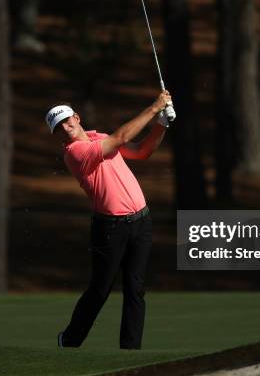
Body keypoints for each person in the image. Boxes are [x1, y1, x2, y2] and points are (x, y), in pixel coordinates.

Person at [45, 91, 176, 350]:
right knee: (100, 290)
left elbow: (141, 151)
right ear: (57, 136)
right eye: (59, 128)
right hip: (110, 228)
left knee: (135, 289)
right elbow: (122, 137)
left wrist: (161, 124)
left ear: (77, 118)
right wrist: (153, 109)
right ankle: (69, 341)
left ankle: (129, 352)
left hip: (141, 221)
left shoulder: (100, 138)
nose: (66, 128)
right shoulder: (75, 154)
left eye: (67, 121)